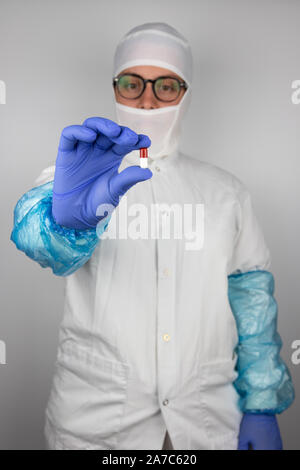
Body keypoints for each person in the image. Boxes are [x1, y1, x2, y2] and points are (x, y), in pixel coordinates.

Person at [11, 22, 295, 451]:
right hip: (97, 421)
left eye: (165, 85)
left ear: (186, 92)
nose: (147, 99)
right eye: (132, 83)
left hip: (206, 419)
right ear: (115, 88)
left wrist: (260, 404)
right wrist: (68, 224)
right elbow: (41, 245)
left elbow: (250, 298)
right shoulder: (78, 180)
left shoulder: (226, 192)